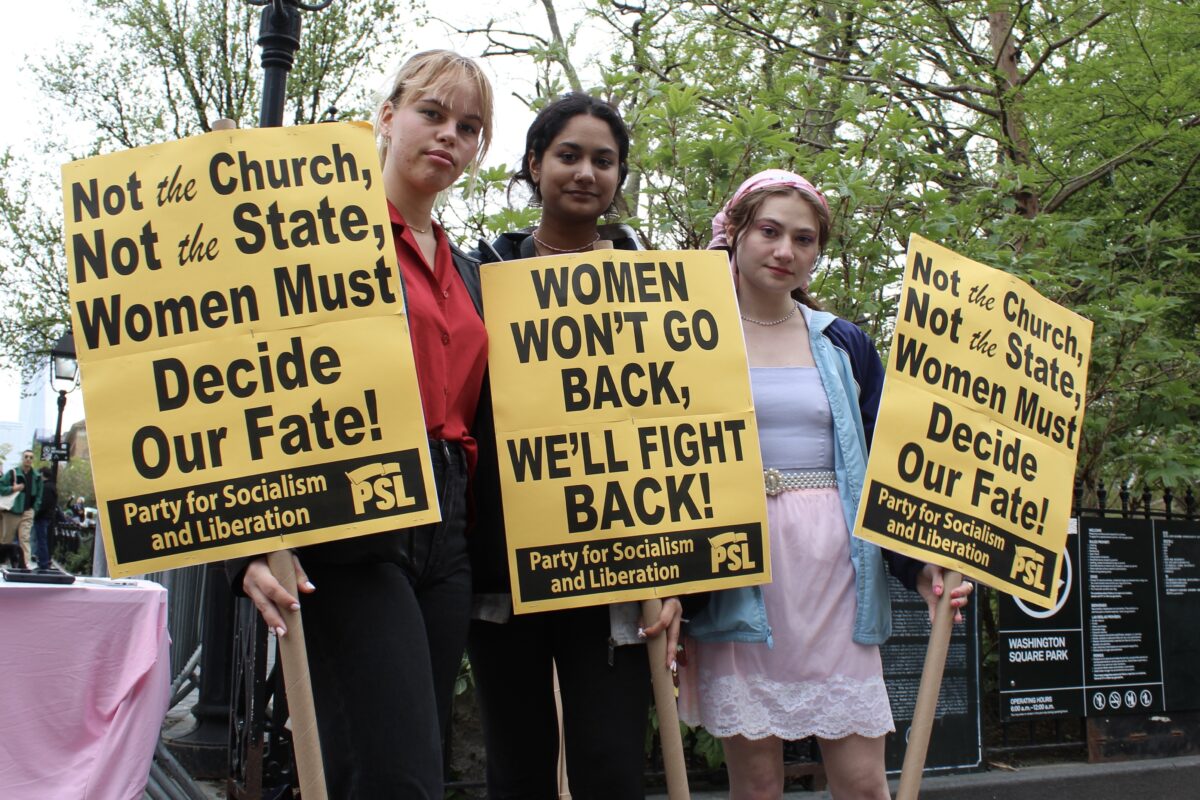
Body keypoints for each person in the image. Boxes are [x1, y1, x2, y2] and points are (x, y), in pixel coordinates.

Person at [227, 50, 493, 799]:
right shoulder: (317, 239)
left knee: (411, 763)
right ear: (386, 116)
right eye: (432, 114)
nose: (449, 136)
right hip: (352, 524)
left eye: (468, 127)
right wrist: (243, 544)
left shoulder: (468, 270)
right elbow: (243, 382)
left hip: (448, 534)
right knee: (393, 775)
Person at [677, 170, 973, 800]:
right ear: (734, 235)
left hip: (838, 571)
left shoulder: (845, 342)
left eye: (804, 239)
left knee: (865, 783)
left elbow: (887, 466)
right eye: (769, 231)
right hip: (741, 573)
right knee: (756, 785)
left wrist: (918, 566)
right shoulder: (690, 336)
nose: (786, 251)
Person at [467, 93, 685, 799]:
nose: (586, 172)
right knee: (519, 768)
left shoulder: (663, 293)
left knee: (611, 766)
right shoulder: (478, 279)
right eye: (568, 155)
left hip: (622, 576)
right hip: (506, 575)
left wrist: (680, 574)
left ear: (620, 176)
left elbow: (689, 433)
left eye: (604, 160)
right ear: (534, 164)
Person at [0, 450, 43, 569]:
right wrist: (13, 488)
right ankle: (4, 562)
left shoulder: (37, 476)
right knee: (6, 538)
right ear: (22, 458)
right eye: (26, 456)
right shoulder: (13, 472)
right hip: (12, 511)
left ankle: (25, 563)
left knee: (25, 537)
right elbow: (1, 486)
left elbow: (39, 494)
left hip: (28, 510)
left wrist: (35, 508)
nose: (28, 459)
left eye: (31, 457)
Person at [33, 466, 58, 569]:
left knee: (41, 540)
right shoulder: (52, 486)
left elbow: (43, 504)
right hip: (47, 517)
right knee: (42, 539)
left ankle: (43, 562)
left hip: (42, 517)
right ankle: (43, 561)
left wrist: (36, 514)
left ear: (43, 474)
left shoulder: (46, 487)